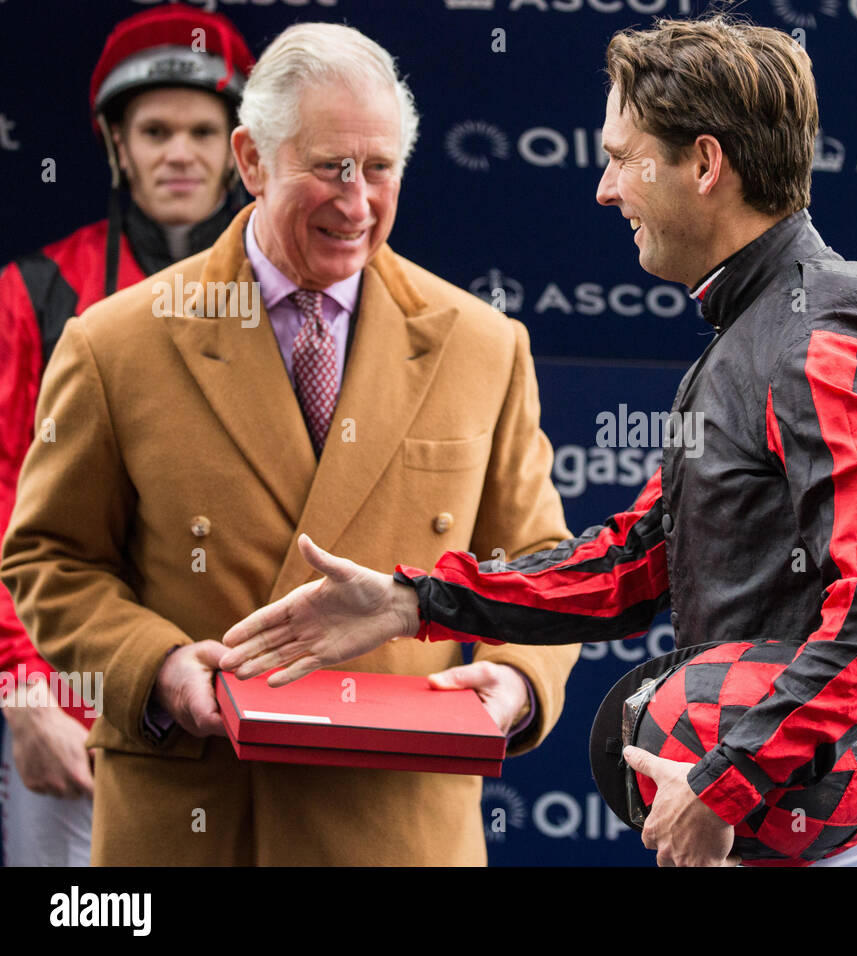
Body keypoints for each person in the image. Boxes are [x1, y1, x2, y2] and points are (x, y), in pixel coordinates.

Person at [220, 16, 857, 867]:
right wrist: (413, 602)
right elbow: (637, 565)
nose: (603, 187)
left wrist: (722, 784)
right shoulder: (762, 329)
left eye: (623, 157)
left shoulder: (822, 336)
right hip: (800, 816)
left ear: (704, 165)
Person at [1, 21, 579, 866]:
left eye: (379, 169)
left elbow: (537, 558)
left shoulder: (482, 345)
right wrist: (155, 668)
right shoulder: (113, 341)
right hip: (196, 824)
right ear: (252, 160)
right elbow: (50, 560)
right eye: (327, 168)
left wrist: (519, 680)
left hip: (396, 825)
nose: (356, 203)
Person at [0, 6, 254, 867]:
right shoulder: (31, 293)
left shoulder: (304, 296)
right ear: (116, 143)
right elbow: (7, 508)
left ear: (240, 147)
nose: (178, 152)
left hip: (252, 710)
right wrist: (25, 689)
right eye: (153, 130)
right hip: (73, 707)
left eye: (200, 130)